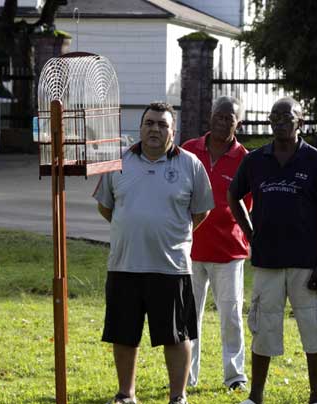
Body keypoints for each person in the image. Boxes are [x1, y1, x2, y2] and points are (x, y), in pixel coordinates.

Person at [93, 101, 215, 404]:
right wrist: (134, 227)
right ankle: (126, 394)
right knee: (123, 334)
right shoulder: (118, 161)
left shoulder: (190, 164)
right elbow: (106, 206)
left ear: (173, 130)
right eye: (150, 123)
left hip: (171, 266)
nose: (155, 129)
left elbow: (201, 212)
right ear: (141, 127)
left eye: (162, 124)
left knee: (176, 336)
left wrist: (172, 234)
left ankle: (177, 397)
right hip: (124, 264)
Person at [228, 97, 317, 404]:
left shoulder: (316, 160)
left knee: (314, 330)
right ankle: (256, 396)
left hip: (307, 263)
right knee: (263, 328)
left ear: (300, 121)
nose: (279, 121)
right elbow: (233, 195)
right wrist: (251, 234)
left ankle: (316, 396)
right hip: (268, 261)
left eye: (286, 117)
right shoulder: (256, 159)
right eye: (274, 116)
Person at [182, 96, 252, 391]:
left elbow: (247, 205)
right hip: (190, 249)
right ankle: (186, 375)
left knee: (231, 315)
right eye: (220, 116)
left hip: (229, 252)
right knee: (188, 316)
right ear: (211, 117)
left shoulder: (245, 159)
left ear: (239, 123)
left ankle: (234, 376)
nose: (224, 122)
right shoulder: (188, 150)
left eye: (230, 118)